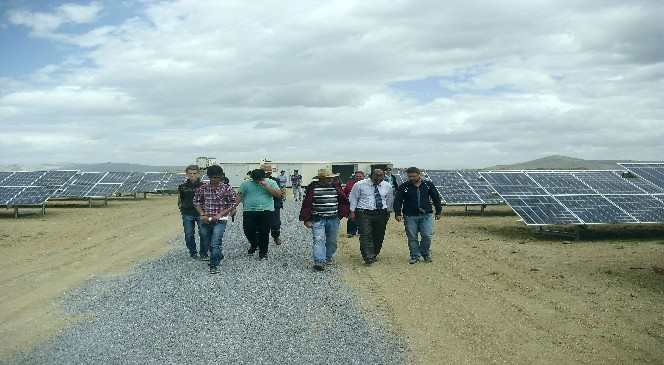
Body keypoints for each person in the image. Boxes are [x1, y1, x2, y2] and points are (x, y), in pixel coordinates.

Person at [299, 169, 350, 271]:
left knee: (332, 241)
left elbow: (343, 201)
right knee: (318, 240)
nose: (330, 180)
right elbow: (307, 204)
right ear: (321, 179)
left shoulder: (336, 187)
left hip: (333, 219)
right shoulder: (313, 188)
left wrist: (341, 214)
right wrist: (306, 219)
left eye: (331, 178)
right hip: (318, 219)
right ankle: (319, 262)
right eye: (328, 178)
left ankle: (328, 257)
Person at [193, 165, 240, 274]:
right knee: (206, 240)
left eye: (218, 177)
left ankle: (214, 264)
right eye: (213, 177)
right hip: (205, 219)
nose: (216, 180)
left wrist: (221, 214)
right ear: (209, 177)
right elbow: (196, 202)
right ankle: (218, 254)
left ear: (221, 176)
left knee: (215, 242)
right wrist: (202, 214)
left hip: (220, 219)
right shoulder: (203, 188)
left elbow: (233, 203)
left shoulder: (227, 188)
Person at [393, 167, 443, 264]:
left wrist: (438, 211)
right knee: (412, 237)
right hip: (410, 216)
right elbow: (398, 200)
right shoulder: (404, 186)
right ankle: (415, 255)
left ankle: (425, 253)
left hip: (426, 215)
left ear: (419, 175)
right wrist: (397, 213)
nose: (411, 178)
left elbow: (436, 198)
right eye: (409, 176)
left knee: (427, 235)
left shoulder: (428, 185)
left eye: (413, 176)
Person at [349, 169, 393, 265]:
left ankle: (374, 253)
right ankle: (368, 256)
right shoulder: (359, 185)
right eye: (376, 175)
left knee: (379, 234)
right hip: (364, 212)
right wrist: (352, 211)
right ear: (370, 175)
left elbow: (389, 200)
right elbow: (353, 198)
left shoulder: (387, 186)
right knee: (365, 234)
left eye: (381, 176)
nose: (379, 178)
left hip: (381, 213)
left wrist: (388, 212)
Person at [239, 168, 283, 260]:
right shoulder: (246, 184)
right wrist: (232, 208)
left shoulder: (271, 182)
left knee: (264, 232)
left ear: (264, 177)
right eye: (256, 179)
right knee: (248, 230)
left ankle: (263, 253)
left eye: (260, 179)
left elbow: (278, 195)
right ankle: (254, 244)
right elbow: (239, 196)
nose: (258, 181)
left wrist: (266, 186)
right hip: (249, 210)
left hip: (266, 210)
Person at [178, 165, 205, 259]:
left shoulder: (204, 186)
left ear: (198, 174)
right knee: (189, 234)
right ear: (187, 174)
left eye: (194, 173)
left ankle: (203, 253)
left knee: (203, 233)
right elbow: (180, 200)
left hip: (201, 214)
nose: (192, 175)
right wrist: (181, 208)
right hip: (187, 213)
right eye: (190, 173)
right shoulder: (182, 187)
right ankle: (193, 252)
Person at [262, 164, 284, 245]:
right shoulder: (256, 181)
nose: (267, 174)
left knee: (275, 223)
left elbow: (279, 193)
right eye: (265, 173)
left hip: (274, 204)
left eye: (268, 173)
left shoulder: (275, 180)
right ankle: (258, 240)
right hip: (261, 205)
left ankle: (276, 237)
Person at [343, 170, 365, 238]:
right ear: (354, 177)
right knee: (352, 218)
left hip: (363, 204)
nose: (358, 177)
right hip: (352, 204)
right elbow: (345, 192)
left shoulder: (367, 184)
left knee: (363, 219)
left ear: (363, 177)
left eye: (360, 176)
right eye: (357, 176)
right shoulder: (349, 183)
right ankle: (351, 232)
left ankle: (362, 232)